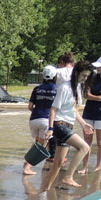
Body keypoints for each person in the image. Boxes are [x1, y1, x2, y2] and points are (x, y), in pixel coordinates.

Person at [41, 60, 94, 191]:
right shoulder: (64, 88)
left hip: (68, 126)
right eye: (83, 75)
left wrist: (83, 124)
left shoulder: (77, 88)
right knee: (84, 147)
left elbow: (73, 109)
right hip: (60, 125)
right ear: (76, 73)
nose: (85, 78)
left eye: (87, 76)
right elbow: (53, 109)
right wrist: (51, 129)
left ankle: (45, 189)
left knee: (58, 163)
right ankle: (68, 177)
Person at [23, 65, 58, 176]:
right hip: (46, 120)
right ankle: (28, 167)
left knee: (37, 142)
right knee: (41, 145)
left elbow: (30, 106)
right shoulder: (57, 89)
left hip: (34, 119)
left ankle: (27, 161)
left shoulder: (37, 88)